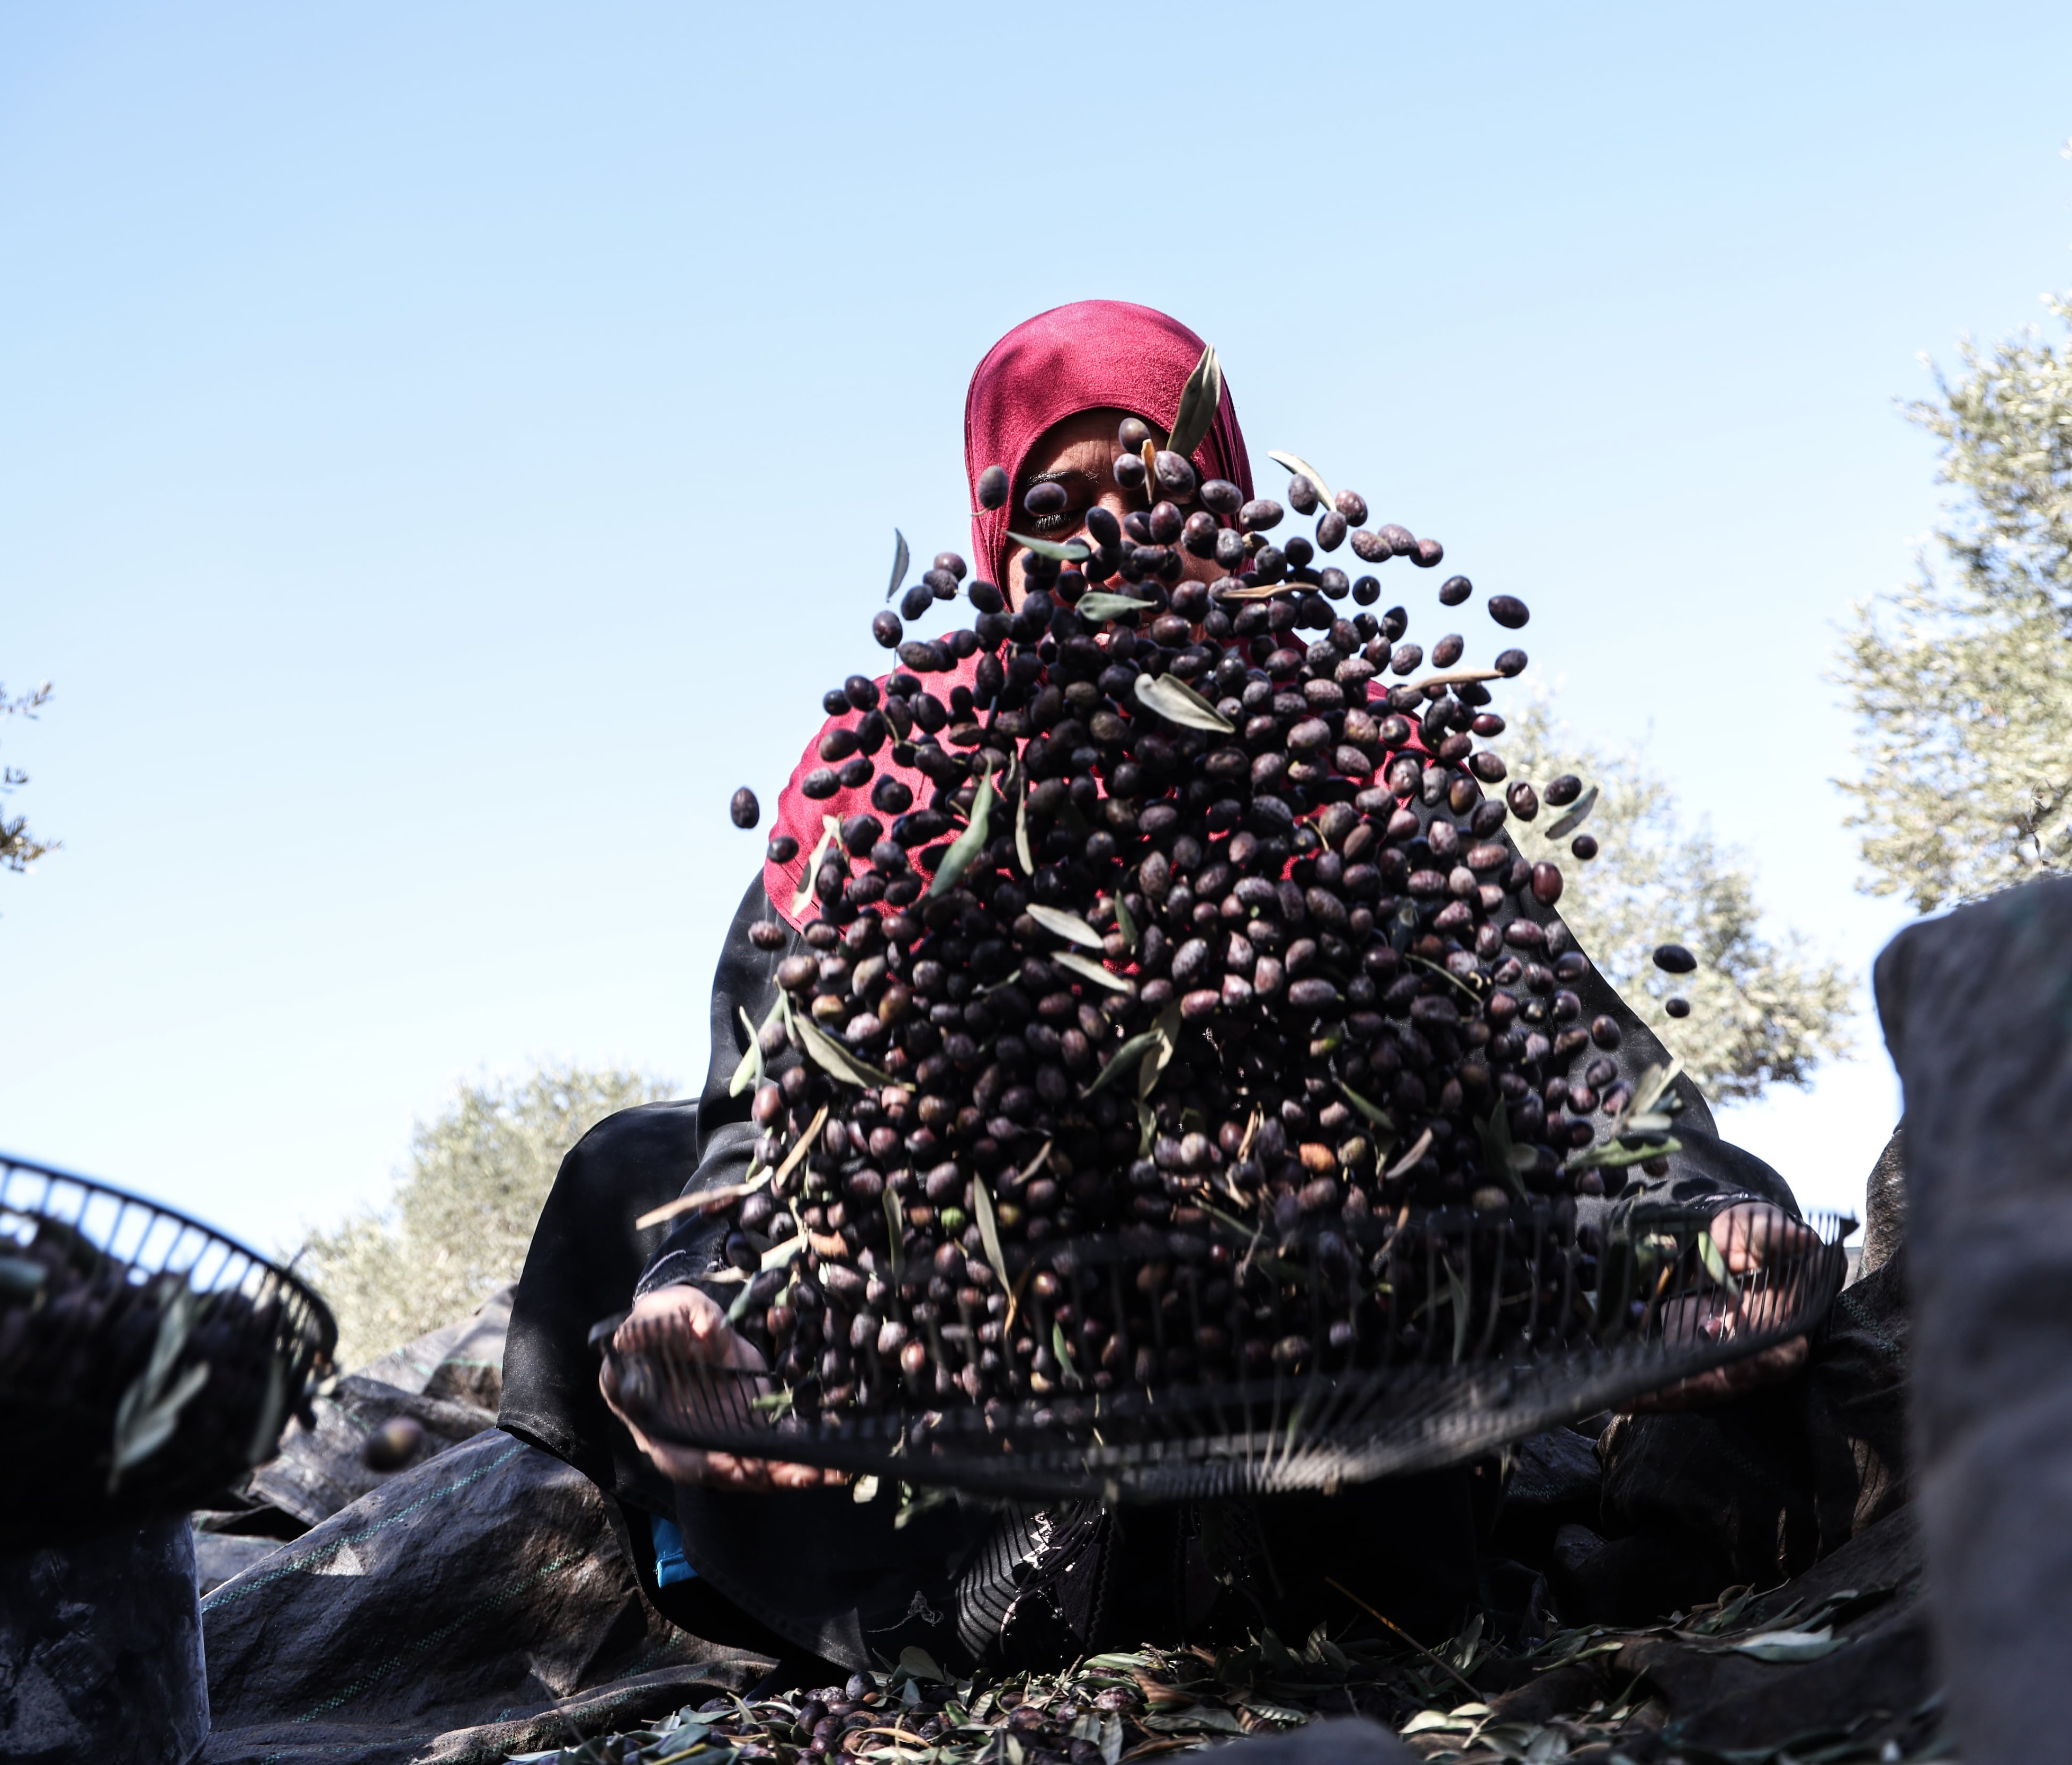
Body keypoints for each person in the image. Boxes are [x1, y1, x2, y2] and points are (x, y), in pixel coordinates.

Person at [499, 300, 1829, 1675]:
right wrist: (716, 1298)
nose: (1110, 540)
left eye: (1155, 487)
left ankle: (1272, 1547)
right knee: (624, 1177)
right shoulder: (894, 774)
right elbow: (767, 1103)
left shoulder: (1358, 756)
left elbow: (1565, 1053)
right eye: (1059, 504)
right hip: (1001, 1386)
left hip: (1319, 1350)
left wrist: (1698, 1225)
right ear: (1001, 538)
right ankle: (919, 1586)